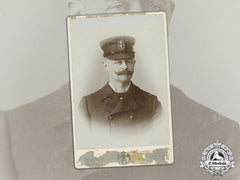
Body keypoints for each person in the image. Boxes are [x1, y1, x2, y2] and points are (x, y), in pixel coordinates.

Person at [0, 0, 240, 179]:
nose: (138, 16)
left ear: (169, 13)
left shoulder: (220, 136)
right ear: (77, 10)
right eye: (117, 6)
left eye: (153, 4)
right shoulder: (14, 132)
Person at [80, 36, 161, 130]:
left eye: (129, 61)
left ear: (134, 63)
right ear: (106, 65)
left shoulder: (151, 102)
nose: (125, 67)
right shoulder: (88, 104)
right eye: (118, 62)